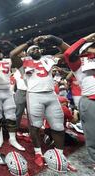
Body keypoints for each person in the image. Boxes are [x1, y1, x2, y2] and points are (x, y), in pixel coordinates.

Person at [10, 35, 69, 167]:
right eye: (33, 49)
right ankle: (38, 153)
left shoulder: (48, 59)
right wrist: (29, 42)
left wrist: (55, 40)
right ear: (28, 52)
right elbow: (12, 54)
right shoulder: (23, 62)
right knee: (35, 125)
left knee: (58, 126)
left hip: (51, 95)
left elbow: (68, 52)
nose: (36, 50)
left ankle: (60, 155)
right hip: (34, 95)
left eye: (37, 48)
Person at [64, 33, 95, 171]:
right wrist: (86, 39)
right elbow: (68, 52)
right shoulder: (78, 63)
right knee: (92, 134)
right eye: (93, 47)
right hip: (90, 100)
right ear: (85, 50)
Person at [0, 41, 25, 151]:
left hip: (7, 91)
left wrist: (9, 44)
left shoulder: (9, 60)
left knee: (11, 116)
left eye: (0, 51)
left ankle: (12, 139)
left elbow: (16, 54)